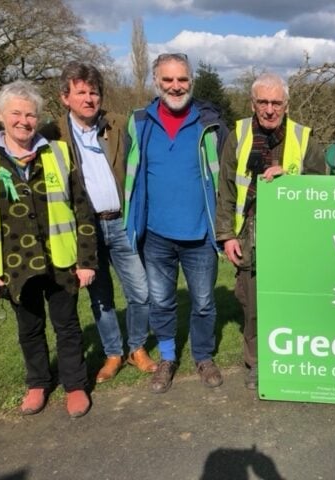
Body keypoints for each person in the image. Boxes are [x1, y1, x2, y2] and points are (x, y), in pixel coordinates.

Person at [40, 62, 156, 383]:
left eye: (94, 92)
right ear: (66, 97)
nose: (89, 98)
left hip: (121, 223)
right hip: (85, 231)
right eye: (81, 92)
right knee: (100, 297)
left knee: (140, 292)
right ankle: (113, 353)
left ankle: (137, 348)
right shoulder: (53, 136)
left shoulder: (117, 124)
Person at [0, 80, 98, 417]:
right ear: (0, 115)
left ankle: (75, 386)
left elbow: (83, 209)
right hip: (14, 265)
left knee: (67, 326)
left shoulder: (59, 152)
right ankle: (37, 384)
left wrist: (87, 260)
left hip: (61, 260)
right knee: (29, 328)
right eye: (16, 114)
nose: (24, 121)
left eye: (31, 114)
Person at [125, 53, 228, 394]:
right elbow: (130, 175)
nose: (175, 86)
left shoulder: (209, 123)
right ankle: (167, 358)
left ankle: (203, 356)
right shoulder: (139, 121)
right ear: (156, 81)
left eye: (182, 79)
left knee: (202, 303)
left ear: (191, 81)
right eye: (168, 79)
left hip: (200, 234)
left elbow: (229, 174)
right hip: (155, 236)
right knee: (162, 302)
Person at [215, 73, 325, 389]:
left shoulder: (304, 138)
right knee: (252, 306)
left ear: (286, 105)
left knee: (294, 300)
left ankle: (294, 359)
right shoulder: (237, 134)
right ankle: (257, 364)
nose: (269, 109)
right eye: (262, 102)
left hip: (292, 237)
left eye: (276, 102)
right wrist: (227, 236)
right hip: (248, 234)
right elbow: (225, 189)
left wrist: (289, 177)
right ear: (253, 104)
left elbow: (322, 184)